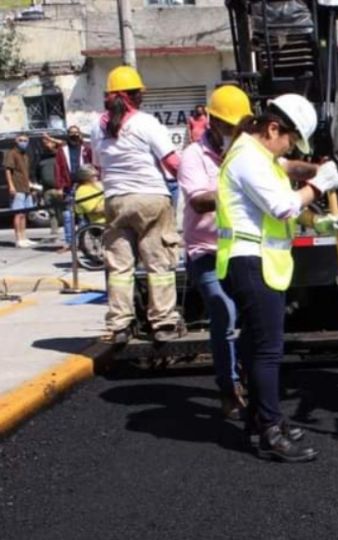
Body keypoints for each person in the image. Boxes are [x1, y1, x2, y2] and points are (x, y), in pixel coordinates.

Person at [216, 93, 338, 462]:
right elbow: (283, 205)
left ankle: (261, 420)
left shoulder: (259, 156)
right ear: (273, 128)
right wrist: (320, 185)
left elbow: (289, 182)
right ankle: (270, 430)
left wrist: (318, 212)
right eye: (289, 139)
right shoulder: (248, 159)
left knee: (259, 348)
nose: (289, 147)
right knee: (268, 350)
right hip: (251, 262)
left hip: (257, 261)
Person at [91, 66, 184, 343]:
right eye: (139, 94)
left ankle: (120, 324)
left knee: (119, 266)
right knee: (158, 262)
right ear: (133, 96)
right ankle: (163, 323)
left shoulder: (96, 126)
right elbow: (171, 162)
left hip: (116, 199)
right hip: (151, 199)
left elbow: (98, 164)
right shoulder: (147, 123)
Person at [178, 85, 252, 420]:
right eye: (226, 126)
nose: (231, 133)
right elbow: (198, 200)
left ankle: (249, 378)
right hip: (205, 250)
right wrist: (236, 191)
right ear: (212, 122)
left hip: (242, 248)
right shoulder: (194, 156)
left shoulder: (247, 152)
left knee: (251, 318)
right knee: (225, 314)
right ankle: (228, 388)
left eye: (237, 127)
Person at [54, 126, 94, 252]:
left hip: (84, 185)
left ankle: (83, 241)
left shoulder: (86, 149)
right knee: (68, 215)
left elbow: (92, 165)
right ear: (68, 135)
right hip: (68, 186)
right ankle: (69, 242)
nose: (74, 135)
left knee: (83, 215)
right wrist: (60, 187)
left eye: (76, 133)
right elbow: (58, 169)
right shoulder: (62, 150)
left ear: (80, 134)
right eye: (71, 133)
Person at [5, 134, 36, 248]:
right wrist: (11, 186)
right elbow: (8, 171)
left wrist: (30, 185)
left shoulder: (25, 155)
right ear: (16, 141)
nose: (23, 142)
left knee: (24, 213)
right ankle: (18, 238)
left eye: (26, 140)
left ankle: (24, 237)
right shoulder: (12, 153)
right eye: (21, 140)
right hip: (17, 187)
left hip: (25, 187)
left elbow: (25, 172)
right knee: (18, 214)